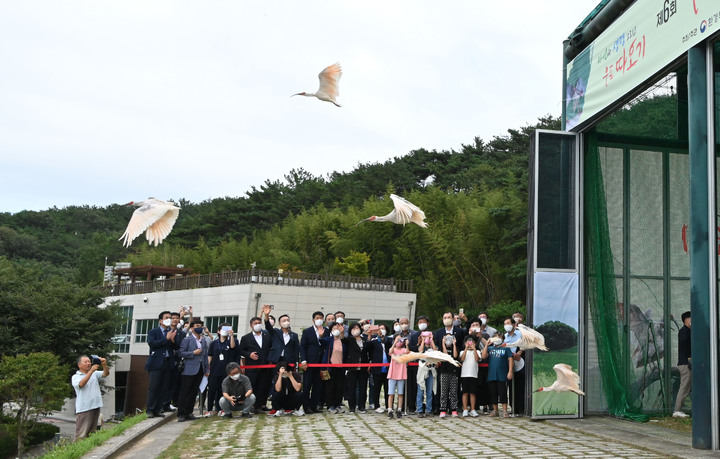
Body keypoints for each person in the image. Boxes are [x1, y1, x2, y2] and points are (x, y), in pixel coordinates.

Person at [145, 310, 179, 418]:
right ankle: (150, 409)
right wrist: (166, 339)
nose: (169, 319)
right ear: (161, 320)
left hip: (168, 363)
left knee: (164, 387)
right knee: (154, 387)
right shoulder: (153, 332)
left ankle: (159, 409)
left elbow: (176, 346)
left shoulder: (172, 331)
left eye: (170, 317)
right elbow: (152, 344)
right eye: (166, 317)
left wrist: (172, 340)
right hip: (156, 363)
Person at [177, 319, 209, 422]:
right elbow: (181, 353)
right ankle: (181, 413)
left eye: (200, 326)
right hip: (188, 369)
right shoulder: (187, 340)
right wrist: (193, 353)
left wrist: (206, 369)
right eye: (197, 326)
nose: (199, 328)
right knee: (184, 391)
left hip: (200, 369)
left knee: (193, 392)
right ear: (192, 328)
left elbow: (205, 356)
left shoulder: (203, 340)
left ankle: (189, 412)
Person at [239, 317, 272, 412]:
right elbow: (241, 350)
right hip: (252, 366)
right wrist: (249, 354)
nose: (257, 325)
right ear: (251, 325)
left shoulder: (267, 335)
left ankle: (261, 405)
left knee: (264, 385)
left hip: (266, 365)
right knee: (253, 385)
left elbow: (271, 347)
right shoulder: (246, 338)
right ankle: (251, 405)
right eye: (255, 323)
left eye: (259, 323)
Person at [72, 355, 109, 440]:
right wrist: (91, 371)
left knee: (92, 432)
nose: (88, 363)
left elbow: (105, 373)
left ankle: (89, 449)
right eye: (85, 362)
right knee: (81, 433)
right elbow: (81, 384)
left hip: (95, 406)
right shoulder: (75, 377)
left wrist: (104, 364)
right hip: (84, 408)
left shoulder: (95, 374)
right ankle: (78, 451)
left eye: (89, 361)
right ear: (79, 365)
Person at [434, 312, 464, 417]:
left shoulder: (459, 331)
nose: (447, 319)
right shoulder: (438, 332)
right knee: (443, 389)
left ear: (453, 319)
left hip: (455, 366)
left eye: (449, 317)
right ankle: (442, 408)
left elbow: (460, 348)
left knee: (454, 389)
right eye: (445, 317)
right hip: (443, 366)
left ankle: (454, 408)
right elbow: (438, 348)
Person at [483, 321, 514, 418]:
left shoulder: (506, 349)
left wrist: (510, 372)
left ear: (503, 339)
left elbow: (510, 360)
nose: (497, 339)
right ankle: (495, 410)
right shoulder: (490, 348)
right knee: (493, 393)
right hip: (492, 375)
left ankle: (504, 410)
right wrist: (487, 345)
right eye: (495, 337)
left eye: (499, 338)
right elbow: (484, 356)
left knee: (503, 392)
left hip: (502, 374)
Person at [300, 311, 328, 414]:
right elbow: (302, 346)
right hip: (309, 362)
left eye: (321, 318)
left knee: (318, 385)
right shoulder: (307, 331)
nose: (319, 319)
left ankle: (314, 405)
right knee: (307, 385)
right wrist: (303, 360)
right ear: (313, 320)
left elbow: (327, 345)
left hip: (321, 362)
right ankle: (306, 406)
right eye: (317, 318)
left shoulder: (326, 331)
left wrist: (321, 337)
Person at [206, 322, 236, 416]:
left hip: (225, 371)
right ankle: (209, 409)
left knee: (222, 390)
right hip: (214, 370)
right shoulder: (214, 343)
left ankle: (220, 408)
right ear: (218, 331)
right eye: (223, 329)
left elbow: (232, 347)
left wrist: (231, 335)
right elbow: (210, 356)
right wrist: (207, 368)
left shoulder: (230, 341)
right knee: (212, 389)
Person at [321, 322, 347, 413]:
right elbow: (322, 341)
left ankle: (337, 404)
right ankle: (330, 405)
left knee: (340, 387)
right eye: (334, 328)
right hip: (330, 367)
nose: (336, 330)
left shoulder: (343, 340)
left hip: (341, 367)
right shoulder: (329, 340)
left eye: (338, 328)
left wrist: (342, 333)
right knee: (330, 387)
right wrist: (321, 335)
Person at [346, 322, 371, 413]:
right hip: (352, 367)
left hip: (363, 367)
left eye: (357, 328)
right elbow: (342, 339)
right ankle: (352, 407)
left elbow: (369, 350)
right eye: (353, 328)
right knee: (352, 387)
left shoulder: (364, 339)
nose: (356, 330)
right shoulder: (349, 340)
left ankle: (361, 406)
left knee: (363, 387)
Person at [414, 316, 437, 417]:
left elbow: (436, 352)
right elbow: (420, 351)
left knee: (429, 391)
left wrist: (431, 341)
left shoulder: (433, 346)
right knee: (420, 391)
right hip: (422, 370)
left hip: (431, 370)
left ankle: (429, 409)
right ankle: (419, 410)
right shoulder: (421, 346)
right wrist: (423, 340)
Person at [503, 317, 525, 416]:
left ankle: (521, 408)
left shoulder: (520, 334)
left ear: (513, 324)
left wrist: (520, 352)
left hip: (519, 360)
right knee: (511, 385)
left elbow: (525, 344)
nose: (506, 325)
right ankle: (513, 408)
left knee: (519, 385)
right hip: (509, 361)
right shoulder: (504, 336)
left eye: (508, 323)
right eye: (505, 324)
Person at [673, 311, 691, 418]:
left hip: (686, 363)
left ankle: (679, 409)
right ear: (686, 320)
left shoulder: (688, 331)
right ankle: (677, 410)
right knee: (684, 387)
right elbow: (684, 343)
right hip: (685, 364)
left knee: (687, 387)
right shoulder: (684, 331)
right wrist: (689, 357)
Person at [387, 334, 409, 419]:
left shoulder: (403, 350)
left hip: (401, 373)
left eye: (401, 340)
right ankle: (389, 410)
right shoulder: (393, 350)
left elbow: (407, 352)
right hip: (393, 374)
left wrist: (406, 344)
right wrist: (395, 343)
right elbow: (390, 351)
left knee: (400, 393)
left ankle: (399, 409)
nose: (399, 341)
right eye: (398, 339)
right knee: (391, 393)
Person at [369, 324, 390, 413]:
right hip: (377, 368)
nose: (381, 330)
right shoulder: (374, 341)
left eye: (383, 328)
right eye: (380, 329)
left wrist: (383, 338)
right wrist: (370, 335)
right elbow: (368, 347)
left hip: (388, 369)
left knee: (387, 388)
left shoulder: (389, 340)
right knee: (376, 388)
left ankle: (388, 405)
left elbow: (388, 344)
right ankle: (376, 405)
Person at [459, 336, 482, 417]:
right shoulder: (462, 352)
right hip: (464, 374)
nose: (470, 343)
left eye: (472, 342)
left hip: (474, 374)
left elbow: (477, 359)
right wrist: (466, 348)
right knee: (465, 392)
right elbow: (462, 359)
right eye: (468, 342)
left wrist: (474, 348)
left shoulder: (478, 351)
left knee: (473, 393)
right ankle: (465, 409)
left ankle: (472, 409)